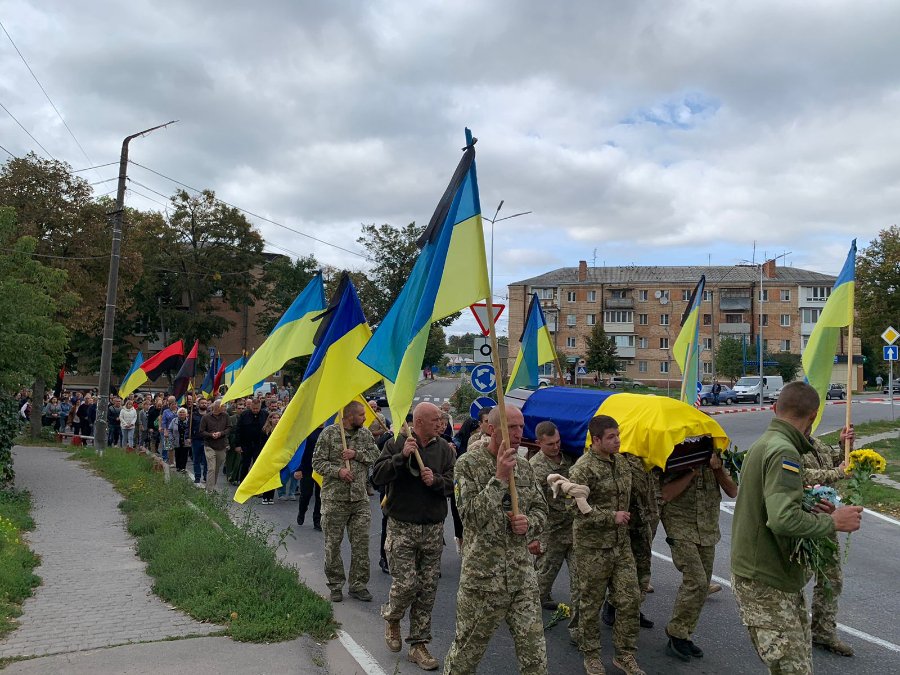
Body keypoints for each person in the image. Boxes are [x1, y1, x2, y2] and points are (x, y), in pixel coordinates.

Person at [731, 381, 863, 674]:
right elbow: (782, 518)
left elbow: (774, 503)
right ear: (813, 415)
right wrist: (833, 521)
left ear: (775, 408)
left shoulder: (769, 443)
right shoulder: (784, 452)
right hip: (765, 578)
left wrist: (813, 507)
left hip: (777, 576)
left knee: (798, 663)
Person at [443, 405, 549, 675]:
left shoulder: (524, 467)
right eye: (511, 426)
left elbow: (541, 510)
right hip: (483, 581)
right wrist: (499, 477)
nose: (518, 433)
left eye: (520, 426)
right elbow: (470, 517)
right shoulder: (468, 464)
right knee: (466, 656)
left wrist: (529, 523)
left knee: (535, 657)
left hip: (521, 578)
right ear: (491, 428)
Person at [372, 402, 455, 671]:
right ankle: (392, 616)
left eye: (441, 419)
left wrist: (437, 481)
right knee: (407, 584)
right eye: (435, 420)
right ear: (418, 422)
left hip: (432, 528)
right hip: (402, 526)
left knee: (427, 589)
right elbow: (377, 476)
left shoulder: (444, 449)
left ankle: (419, 644)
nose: (440, 424)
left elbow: (454, 484)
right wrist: (401, 457)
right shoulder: (397, 443)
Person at [570, 415, 645, 675]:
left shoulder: (621, 462)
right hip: (593, 548)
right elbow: (575, 509)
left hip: (620, 545)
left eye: (618, 435)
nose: (617, 441)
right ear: (596, 439)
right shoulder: (582, 469)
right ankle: (591, 655)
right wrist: (610, 516)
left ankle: (625, 655)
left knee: (630, 599)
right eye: (611, 437)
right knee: (591, 603)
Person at [658, 445, 737, 662]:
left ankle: (683, 633)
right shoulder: (675, 453)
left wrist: (717, 469)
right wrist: (691, 470)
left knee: (701, 586)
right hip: (680, 525)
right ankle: (676, 634)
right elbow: (666, 494)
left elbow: (733, 490)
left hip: (707, 528)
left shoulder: (714, 455)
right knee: (697, 581)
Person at [311, 401, 379, 602]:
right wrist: (338, 471)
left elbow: (376, 455)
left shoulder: (365, 434)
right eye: (361, 415)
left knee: (361, 545)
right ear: (349, 416)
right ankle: (335, 585)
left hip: (359, 499)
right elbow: (317, 463)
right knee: (333, 545)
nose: (365, 418)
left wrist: (356, 454)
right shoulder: (329, 434)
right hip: (335, 500)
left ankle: (358, 585)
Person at [802, 426, 855, 656]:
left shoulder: (818, 445)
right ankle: (787, 628)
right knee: (797, 578)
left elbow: (837, 462)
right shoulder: (788, 447)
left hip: (827, 520)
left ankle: (823, 632)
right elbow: (802, 475)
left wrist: (845, 445)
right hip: (802, 522)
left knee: (831, 578)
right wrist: (837, 473)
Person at [528, 421, 577, 622]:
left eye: (557, 442)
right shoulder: (535, 467)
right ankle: (528, 613)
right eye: (550, 444)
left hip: (574, 528)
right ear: (538, 443)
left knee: (581, 578)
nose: (556, 447)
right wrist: (532, 537)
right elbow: (529, 503)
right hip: (551, 532)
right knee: (542, 580)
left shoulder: (570, 458)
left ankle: (579, 622)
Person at [295, 424, 324, 530]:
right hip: (307, 468)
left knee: (320, 496)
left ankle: (317, 520)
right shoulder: (308, 432)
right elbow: (300, 451)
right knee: (306, 494)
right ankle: (302, 511)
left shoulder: (328, 431)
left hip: (322, 468)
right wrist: (298, 469)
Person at [235, 398, 268, 483]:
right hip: (246, 444)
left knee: (257, 464)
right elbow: (238, 430)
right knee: (245, 464)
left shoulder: (265, 414)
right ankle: (242, 482)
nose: (255, 410)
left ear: (260, 407)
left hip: (260, 444)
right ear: (250, 407)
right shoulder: (244, 414)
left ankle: (255, 483)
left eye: (257, 408)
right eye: (253, 408)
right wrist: (238, 445)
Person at [200, 399, 230, 492]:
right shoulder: (206, 417)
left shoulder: (226, 416)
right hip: (209, 445)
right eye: (223, 406)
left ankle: (212, 487)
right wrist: (211, 435)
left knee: (216, 469)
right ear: (217, 407)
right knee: (211, 469)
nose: (225, 408)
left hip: (221, 446)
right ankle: (209, 491)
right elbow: (201, 431)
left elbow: (229, 428)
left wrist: (221, 433)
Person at [257, 411, 281, 504]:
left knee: (273, 477)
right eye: (274, 418)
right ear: (270, 419)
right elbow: (261, 444)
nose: (276, 420)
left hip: (276, 456)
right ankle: (265, 496)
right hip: (266, 456)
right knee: (266, 476)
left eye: (278, 418)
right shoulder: (265, 430)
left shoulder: (281, 430)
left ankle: (271, 497)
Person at [190, 398, 209, 486]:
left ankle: (206, 476)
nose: (204, 404)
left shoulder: (210, 415)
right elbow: (189, 427)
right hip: (196, 439)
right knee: (196, 459)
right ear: (198, 404)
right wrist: (188, 437)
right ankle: (197, 477)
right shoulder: (193, 415)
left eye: (205, 403)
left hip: (207, 440)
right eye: (202, 403)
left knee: (206, 460)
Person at [168, 407, 192, 473]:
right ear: (178, 414)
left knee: (184, 454)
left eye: (183, 412)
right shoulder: (174, 420)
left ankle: (183, 468)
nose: (182, 414)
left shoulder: (189, 421)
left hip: (185, 440)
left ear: (186, 414)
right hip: (176, 440)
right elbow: (170, 430)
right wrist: (171, 437)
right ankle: (178, 467)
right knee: (177, 454)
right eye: (180, 412)